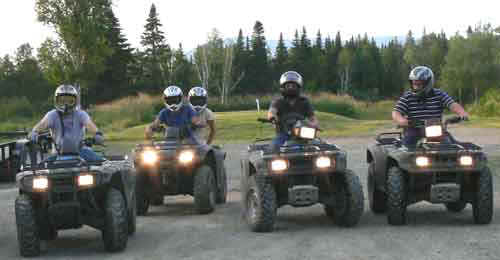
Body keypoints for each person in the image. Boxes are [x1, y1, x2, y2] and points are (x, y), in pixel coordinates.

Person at [392, 65, 469, 147]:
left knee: (453, 146)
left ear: (428, 83)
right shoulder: (407, 96)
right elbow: (396, 112)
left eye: (419, 84)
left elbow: (452, 104)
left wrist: (462, 113)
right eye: (414, 83)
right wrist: (402, 121)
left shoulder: (439, 94)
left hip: (436, 130)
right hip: (414, 130)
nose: (416, 86)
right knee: (407, 147)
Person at [30, 84, 104, 161]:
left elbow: (89, 124)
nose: (66, 104)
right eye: (62, 101)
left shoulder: (80, 114)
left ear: (75, 101)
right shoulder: (52, 114)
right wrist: (34, 132)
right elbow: (41, 125)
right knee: (42, 167)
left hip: (80, 152)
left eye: (70, 101)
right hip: (57, 154)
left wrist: (97, 134)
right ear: (56, 101)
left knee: (102, 163)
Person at [267, 71, 319, 147]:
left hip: (303, 134)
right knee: (274, 147)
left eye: (293, 86)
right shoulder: (278, 101)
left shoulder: (304, 102)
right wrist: (272, 117)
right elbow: (272, 112)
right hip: (283, 134)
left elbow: (313, 118)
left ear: (298, 87)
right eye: (288, 86)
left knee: (319, 146)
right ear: (283, 87)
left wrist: (314, 125)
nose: (291, 88)